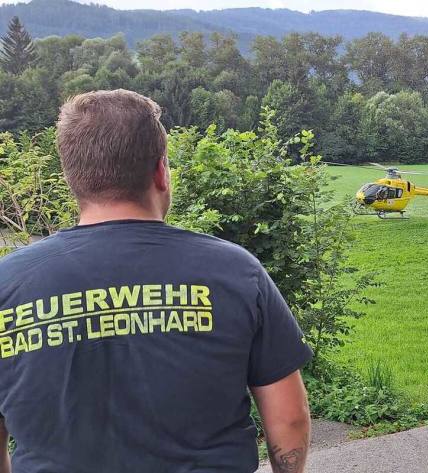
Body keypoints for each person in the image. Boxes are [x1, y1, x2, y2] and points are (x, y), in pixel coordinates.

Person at [0, 89, 312, 473]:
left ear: (73, 180)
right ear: (161, 171)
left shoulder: (8, 284)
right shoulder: (236, 272)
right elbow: (290, 418)